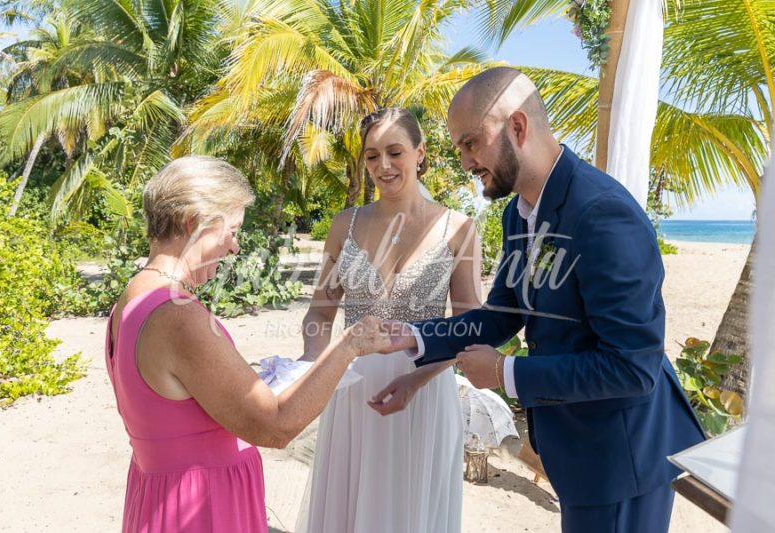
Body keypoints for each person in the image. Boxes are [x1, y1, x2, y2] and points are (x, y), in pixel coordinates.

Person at [385, 67, 706, 533]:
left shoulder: (602, 213)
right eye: (458, 148)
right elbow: (504, 313)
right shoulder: (519, 212)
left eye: (471, 143)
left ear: (517, 126)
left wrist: (504, 372)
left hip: (621, 456)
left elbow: (632, 366)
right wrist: (412, 336)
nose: (464, 162)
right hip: (580, 450)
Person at [105, 155, 390, 533]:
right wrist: (349, 346)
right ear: (195, 224)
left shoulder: (132, 297)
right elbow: (275, 428)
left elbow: (177, 402)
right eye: (232, 230)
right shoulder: (179, 316)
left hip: (161, 497)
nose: (235, 247)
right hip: (200, 508)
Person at [295, 108, 483, 533]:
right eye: (372, 155)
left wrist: (416, 381)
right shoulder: (345, 224)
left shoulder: (459, 228)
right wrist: (311, 363)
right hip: (352, 391)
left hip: (425, 391)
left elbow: (469, 326)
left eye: (395, 152)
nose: (383, 166)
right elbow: (321, 310)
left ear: (420, 153)